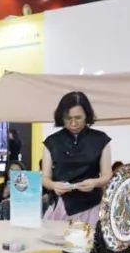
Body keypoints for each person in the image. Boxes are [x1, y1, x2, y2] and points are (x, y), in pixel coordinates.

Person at [41, 91, 112, 225]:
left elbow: (107, 175)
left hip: (92, 206)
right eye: (68, 118)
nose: (73, 123)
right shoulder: (51, 142)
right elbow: (45, 178)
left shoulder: (101, 139)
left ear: (87, 115)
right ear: (61, 117)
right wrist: (54, 185)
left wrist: (95, 183)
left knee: (90, 238)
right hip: (61, 206)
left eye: (78, 118)